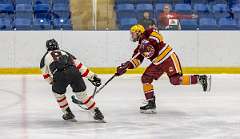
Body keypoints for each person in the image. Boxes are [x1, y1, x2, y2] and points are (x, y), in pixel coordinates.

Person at [115, 24, 211, 114]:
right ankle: (151, 104)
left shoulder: (148, 32)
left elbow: (158, 37)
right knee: (145, 78)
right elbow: (136, 61)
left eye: (133, 33)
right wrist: (126, 66)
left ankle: (200, 79)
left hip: (168, 57)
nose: (132, 35)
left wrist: (148, 43)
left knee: (175, 80)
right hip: (157, 63)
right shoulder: (139, 48)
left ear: (139, 31)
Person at [40, 39, 104, 121]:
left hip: (59, 75)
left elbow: (46, 75)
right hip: (73, 71)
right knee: (82, 95)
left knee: (58, 94)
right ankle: (97, 112)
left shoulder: (44, 58)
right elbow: (80, 66)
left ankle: (68, 113)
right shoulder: (65, 52)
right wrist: (93, 77)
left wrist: (52, 82)